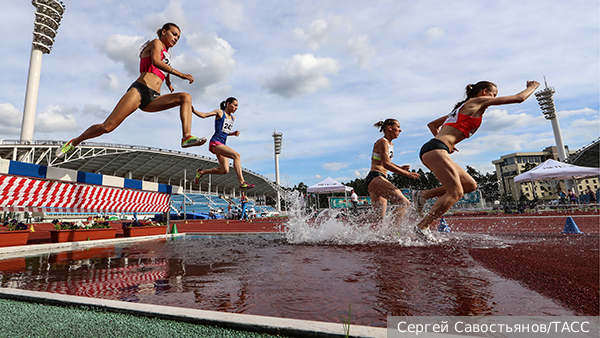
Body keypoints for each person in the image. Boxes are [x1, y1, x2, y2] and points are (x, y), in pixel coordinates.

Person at [412, 80, 540, 242]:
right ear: (485, 92)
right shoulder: (477, 101)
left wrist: (447, 143)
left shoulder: (463, 108)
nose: (494, 98)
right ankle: (422, 227)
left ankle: (424, 195)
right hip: (435, 149)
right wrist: (532, 87)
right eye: (494, 95)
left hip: (437, 148)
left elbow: (433, 125)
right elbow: (519, 98)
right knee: (455, 192)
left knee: (469, 185)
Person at [56, 23, 206, 158]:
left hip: (154, 98)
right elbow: (155, 61)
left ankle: (186, 137)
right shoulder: (156, 42)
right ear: (164, 32)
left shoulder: (167, 54)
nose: (176, 39)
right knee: (107, 127)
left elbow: (162, 70)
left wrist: (168, 83)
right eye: (174, 34)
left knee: (185, 97)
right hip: (140, 91)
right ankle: (74, 142)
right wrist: (181, 74)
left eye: (178, 38)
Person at [365, 119, 420, 225]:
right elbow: (386, 164)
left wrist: (400, 167)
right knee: (404, 203)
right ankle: (392, 231)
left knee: (377, 217)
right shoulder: (382, 141)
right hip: (376, 177)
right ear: (390, 128)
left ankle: (342, 224)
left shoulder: (390, 144)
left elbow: (386, 161)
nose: (400, 130)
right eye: (398, 127)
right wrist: (407, 174)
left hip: (376, 179)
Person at [193, 97, 254, 190]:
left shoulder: (233, 118)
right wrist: (193, 110)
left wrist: (233, 133)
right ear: (228, 104)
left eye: (237, 106)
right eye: (235, 105)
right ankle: (242, 182)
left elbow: (224, 132)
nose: (236, 108)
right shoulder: (220, 112)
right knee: (237, 156)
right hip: (215, 143)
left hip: (222, 144)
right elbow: (204, 115)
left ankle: (201, 172)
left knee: (224, 170)